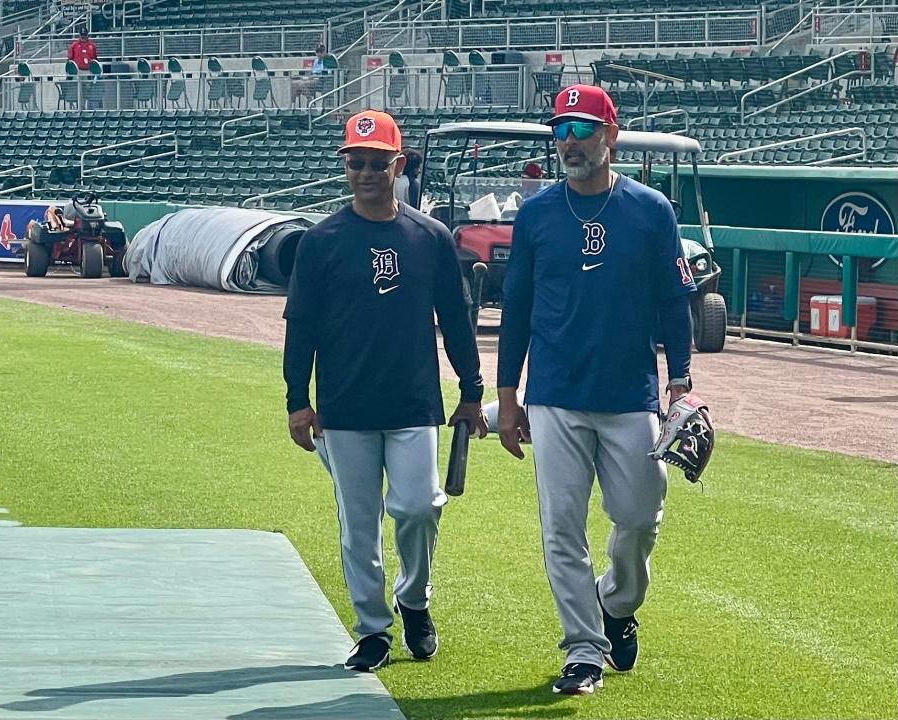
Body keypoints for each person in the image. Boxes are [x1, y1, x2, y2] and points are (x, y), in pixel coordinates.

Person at [496, 84, 697, 696]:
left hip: (629, 392)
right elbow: (518, 306)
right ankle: (583, 650)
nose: (570, 141)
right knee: (561, 526)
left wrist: (681, 381)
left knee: (639, 516)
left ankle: (617, 603)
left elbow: (673, 301)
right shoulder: (535, 214)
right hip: (554, 392)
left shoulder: (650, 208)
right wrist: (508, 396)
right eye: (560, 130)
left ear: (611, 136)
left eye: (583, 129)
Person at [283, 110, 487, 673]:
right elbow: (301, 324)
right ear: (346, 166)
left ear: (398, 165)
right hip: (345, 407)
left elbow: (456, 319)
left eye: (378, 162)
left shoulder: (430, 237)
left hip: (413, 401)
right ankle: (372, 631)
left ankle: (414, 599)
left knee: (418, 509)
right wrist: (297, 400)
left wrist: (472, 391)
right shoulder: (321, 241)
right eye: (357, 162)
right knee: (359, 525)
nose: (367, 172)